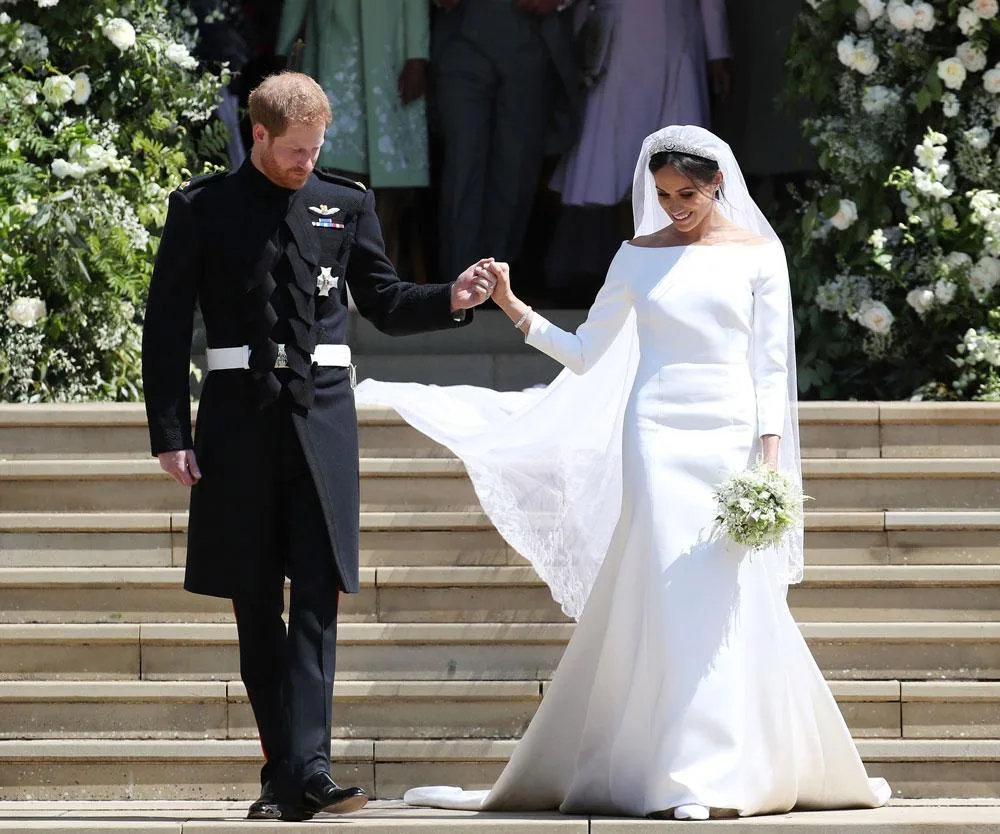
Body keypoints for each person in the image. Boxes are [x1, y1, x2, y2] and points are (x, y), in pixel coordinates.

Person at [355, 125, 892, 819]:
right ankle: (680, 776)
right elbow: (584, 352)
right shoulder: (635, 257)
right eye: (664, 193)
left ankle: (730, 765)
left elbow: (769, 364)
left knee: (727, 592)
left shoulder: (759, 254)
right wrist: (513, 306)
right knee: (668, 590)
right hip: (656, 433)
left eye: (688, 194)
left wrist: (767, 462)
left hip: (729, 434)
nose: (675, 206)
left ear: (717, 184)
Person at [141, 71, 495, 823]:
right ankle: (283, 775)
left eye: (316, 149)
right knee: (254, 601)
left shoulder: (347, 201)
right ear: (260, 136)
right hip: (237, 423)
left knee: (318, 599)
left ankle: (312, 770)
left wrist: (453, 298)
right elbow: (166, 326)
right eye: (295, 150)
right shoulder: (202, 208)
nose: (307, 162)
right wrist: (170, 434)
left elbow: (386, 302)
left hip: (323, 421)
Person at [545, 0, 732, 303]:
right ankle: (610, 273)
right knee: (613, 164)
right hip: (619, 39)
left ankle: (667, 277)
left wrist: (718, 51)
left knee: (666, 159)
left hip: (672, 39)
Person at [275, 0, 432, 277]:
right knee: (327, 168)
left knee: (389, 179)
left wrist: (417, 54)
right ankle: (325, 278)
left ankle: (381, 280)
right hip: (334, 45)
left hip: (391, 48)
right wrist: (283, 50)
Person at [432, 0, 581, 281]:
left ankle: (497, 282)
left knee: (515, 167)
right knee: (463, 163)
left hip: (529, 35)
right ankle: (457, 280)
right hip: (461, 39)